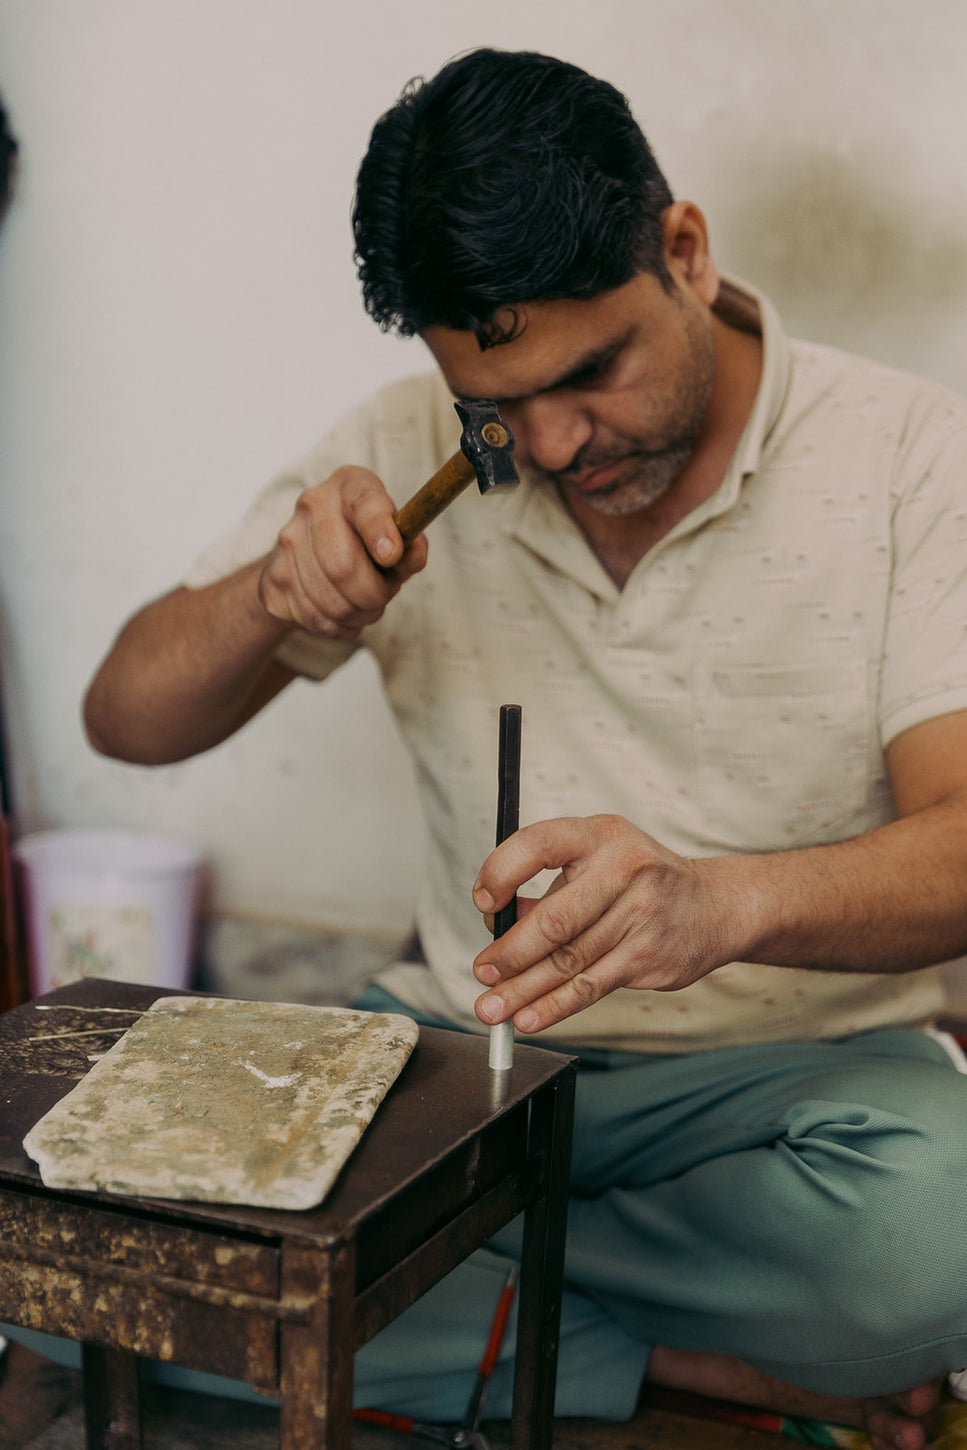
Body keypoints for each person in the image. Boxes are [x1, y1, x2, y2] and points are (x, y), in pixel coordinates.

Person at [80, 49, 967, 1450]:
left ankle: (428, 1299)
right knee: (74, 1242)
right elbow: (125, 720)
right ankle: (688, 1357)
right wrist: (270, 597)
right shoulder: (400, 449)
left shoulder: (912, 455)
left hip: (792, 1083)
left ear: (685, 252)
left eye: (592, 371)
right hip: (461, 1059)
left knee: (935, 1240)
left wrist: (722, 903)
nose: (550, 445)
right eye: (495, 407)